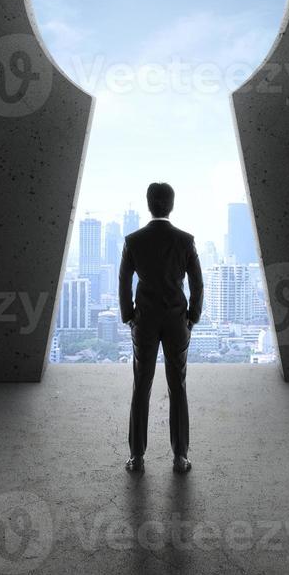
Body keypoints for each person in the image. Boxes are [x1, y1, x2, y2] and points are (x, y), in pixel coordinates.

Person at [119, 182, 204, 474]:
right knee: (177, 385)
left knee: (141, 386)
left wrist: (128, 315)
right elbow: (197, 283)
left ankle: (136, 457)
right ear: (171, 204)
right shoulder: (185, 240)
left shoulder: (133, 240)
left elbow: (123, 281)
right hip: (176, 320)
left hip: (144, 320)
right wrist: (193, 317)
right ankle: (180, 457)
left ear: (148, 203)